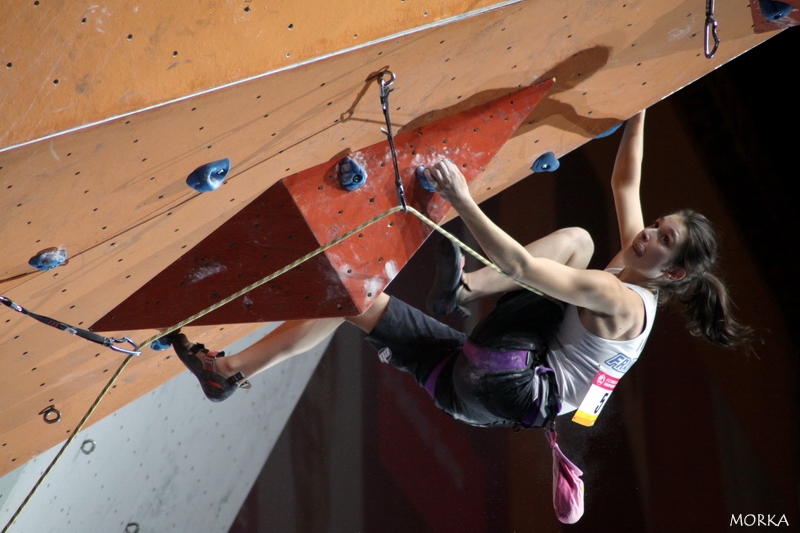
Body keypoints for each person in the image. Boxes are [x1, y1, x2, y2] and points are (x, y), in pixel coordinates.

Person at [167, 110, 754, 430]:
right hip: (474, 395)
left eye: (662, 238)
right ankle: (228, 372)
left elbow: (522, 263)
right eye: (657, 224)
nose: (647, 233)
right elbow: (627, 181)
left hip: (508, 378)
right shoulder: (641, 268)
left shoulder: (621, 298)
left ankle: (464, 286)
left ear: (674, 275)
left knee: (576, 241)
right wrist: (641, 103)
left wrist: (461, 198)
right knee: (357, 300)